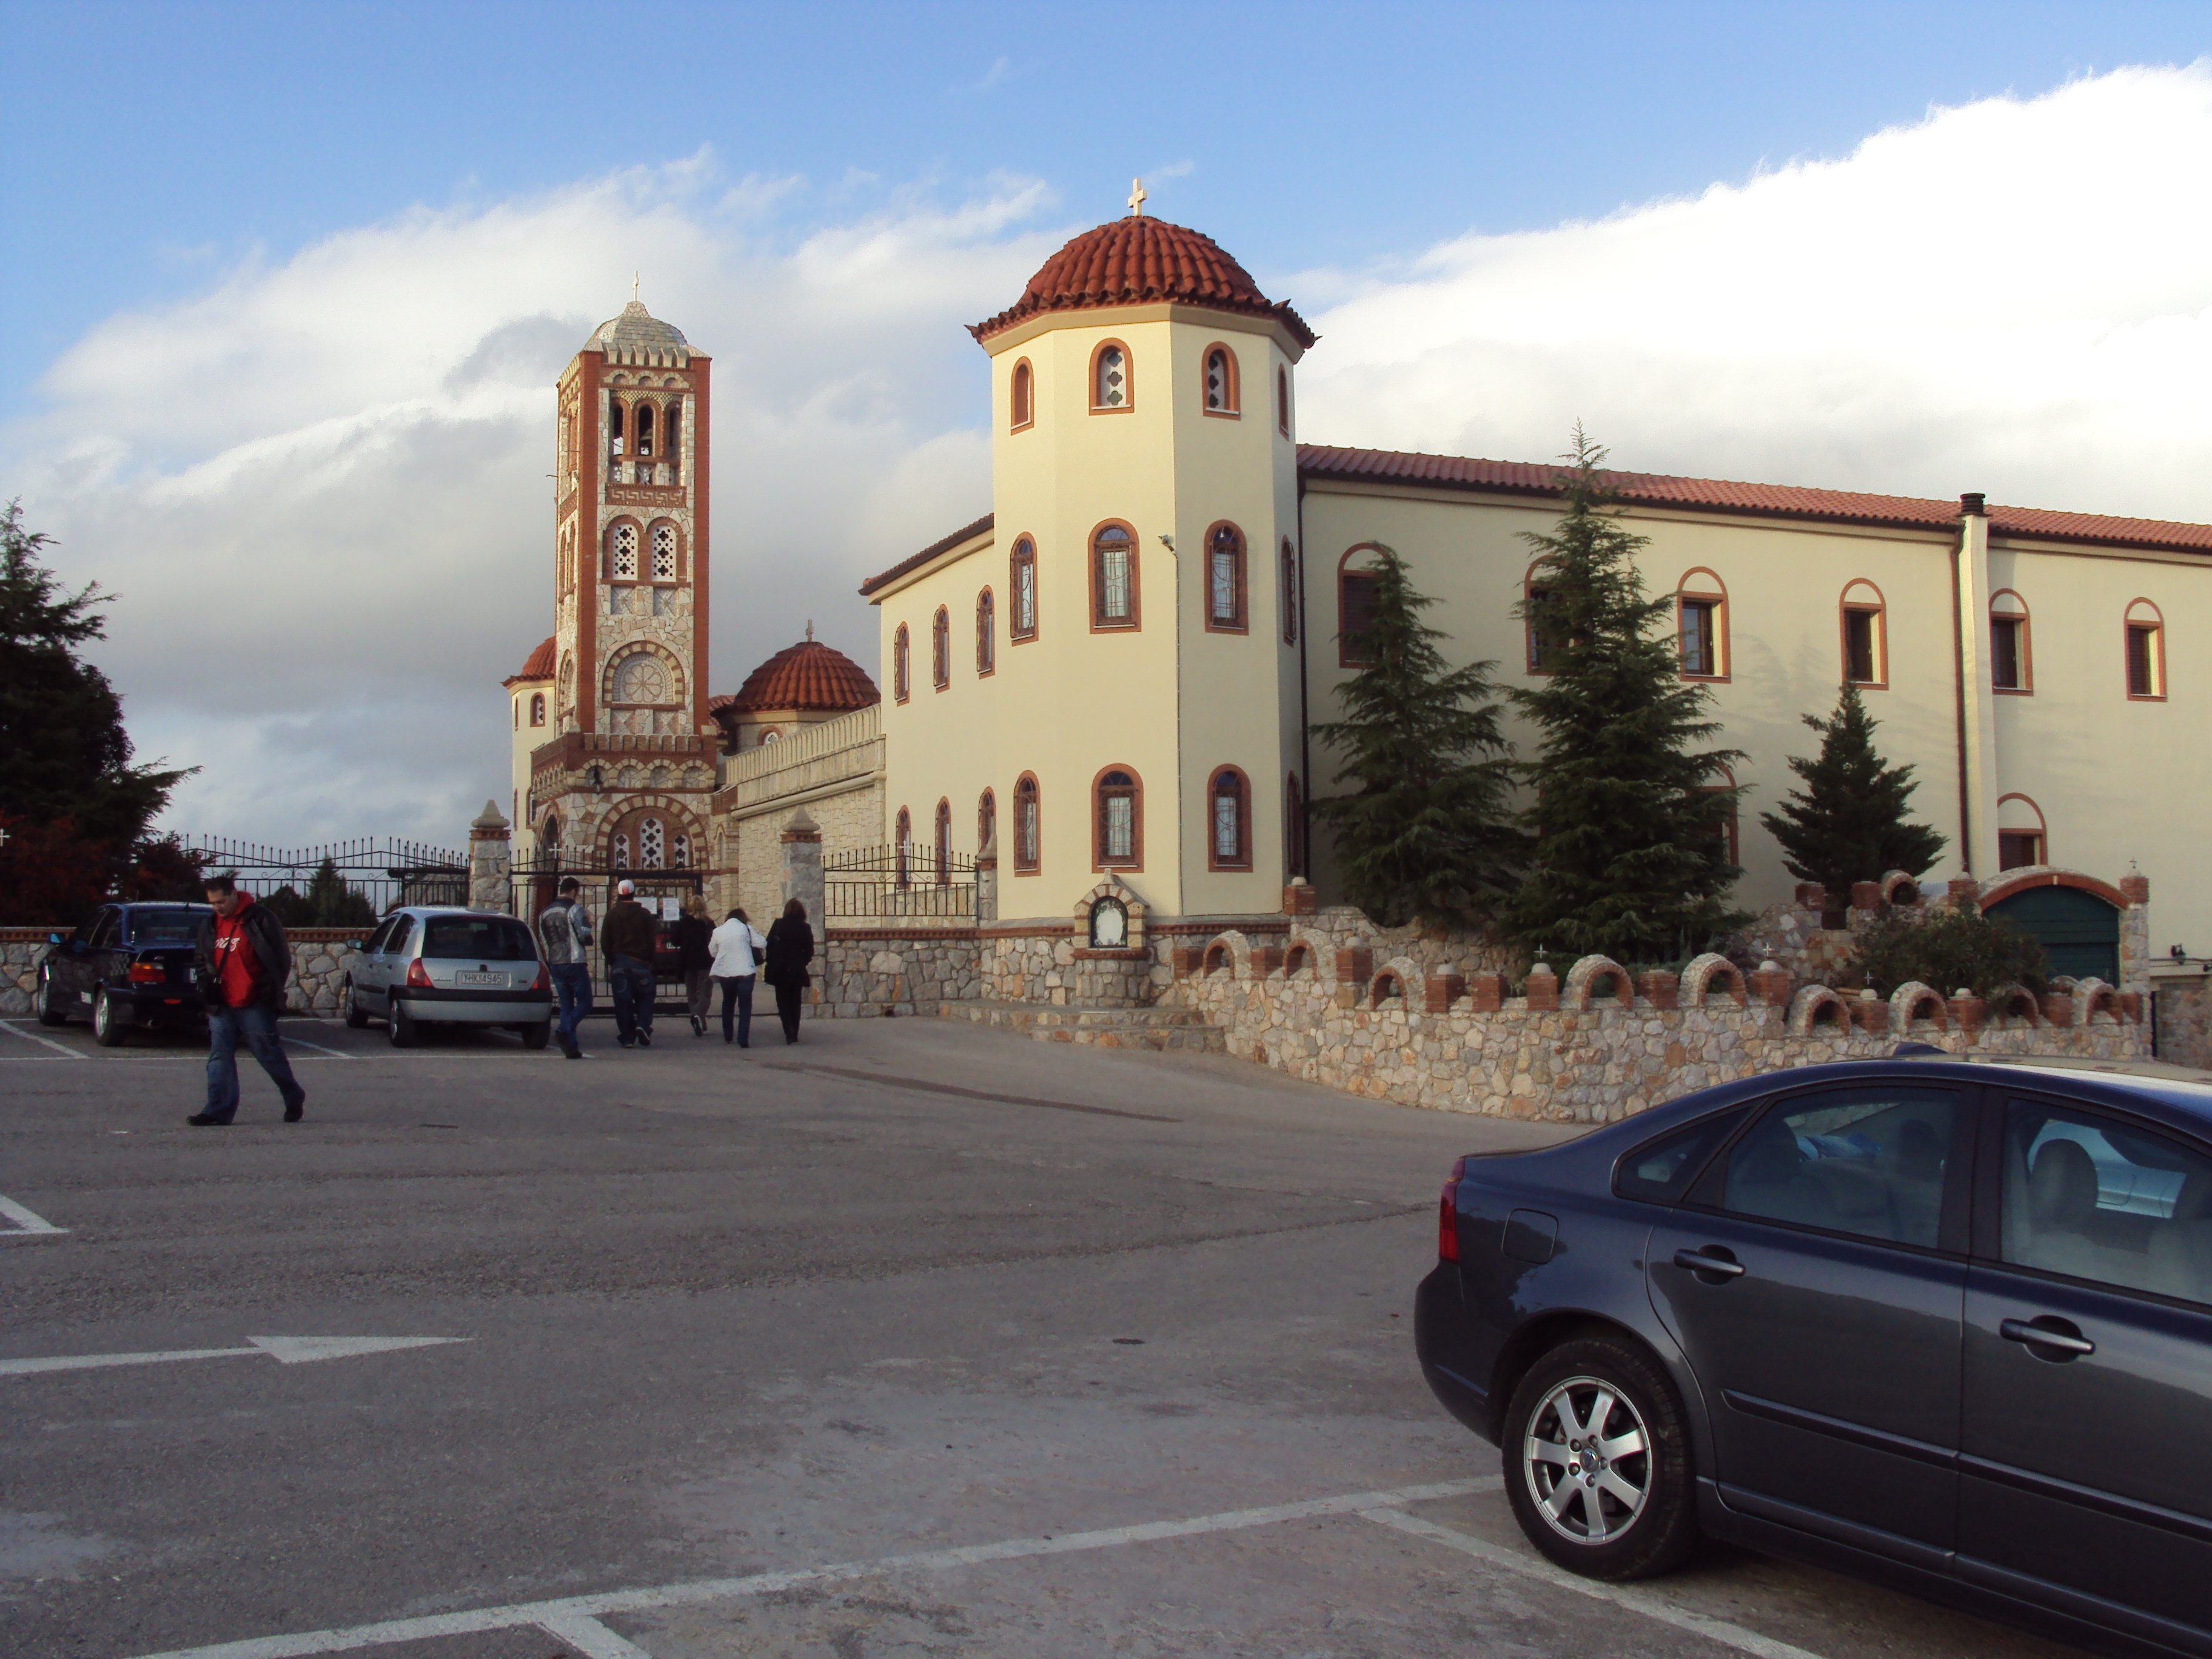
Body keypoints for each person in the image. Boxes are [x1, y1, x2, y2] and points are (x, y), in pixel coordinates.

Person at [189, 874, 306, 1127]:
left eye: (221, 902)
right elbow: (201, 959)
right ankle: (217, 1111)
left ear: (234, 895)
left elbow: (280, 960)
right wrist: (206, 986)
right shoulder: (210, 925)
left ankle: (293, 1095)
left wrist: (266, 994)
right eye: (212, 903)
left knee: (268, 1054)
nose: (217, 907)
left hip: (253, 1001)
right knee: (219, 1056)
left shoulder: (261, 919)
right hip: (222, 1004)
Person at [537, 877, 594, 1059]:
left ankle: (571, 1048)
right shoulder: (574, 909)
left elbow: (544, 941)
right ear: (574, 891)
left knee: (566, 1005)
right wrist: (589, 935)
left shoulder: (544, 913)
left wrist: (550, 960)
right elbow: (584, 935)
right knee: (585, 1002)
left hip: (555, 962)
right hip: (574, 961)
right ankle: (564, 1030)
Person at [600, 879, 659, 1048]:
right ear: (634, 894)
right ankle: (643, 1025)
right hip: (640, 963)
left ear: (619, 894)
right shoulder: (645, 914)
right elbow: (651, 941)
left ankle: (627, 1037)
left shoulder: (611, 915)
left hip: (620, 963)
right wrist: (650, 960)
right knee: (646, 998)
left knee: (622, 1002)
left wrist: (612, 960)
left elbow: (605, 942)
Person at [708, 905, 768, 1047]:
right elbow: (763, 943)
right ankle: (743, 1039)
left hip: (726, 972)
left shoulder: (718, 931)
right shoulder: (746, 929)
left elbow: (712, 952)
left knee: (728, 1002)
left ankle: (728, 1035)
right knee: (745, 1005)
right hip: (746, 970)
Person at [762, 897, 815, 1045]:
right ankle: (795, 1030)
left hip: (780, 968)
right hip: (797, 968)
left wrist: (772, 961)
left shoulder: (779, 925)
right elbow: (810, 950)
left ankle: (788, 1030)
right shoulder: (805, 928)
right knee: (795, 1001)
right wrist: (803, 961)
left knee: (782, 1001)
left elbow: (769, 944)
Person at [674, 894, 716, 1037]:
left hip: (688, 962)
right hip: (706, 961)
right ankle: (699, 1017)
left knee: (692, 994)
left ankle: (697, 1017)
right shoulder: (709, 923)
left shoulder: (684, 923)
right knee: (705, 994)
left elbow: (675, 940)